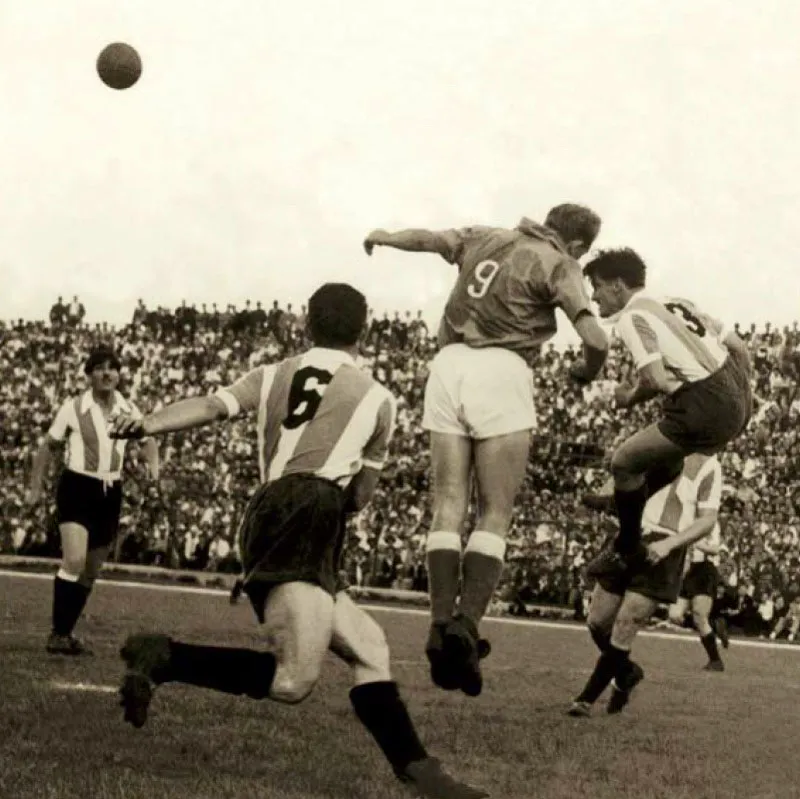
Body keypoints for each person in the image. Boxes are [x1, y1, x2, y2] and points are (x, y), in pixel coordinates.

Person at [110, 283, 487, 799]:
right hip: (313, 512)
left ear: (307, 323)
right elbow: (361, 495)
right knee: (293, 680)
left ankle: (424, 776)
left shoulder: (270, 375)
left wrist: (147, 422)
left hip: (273, 506)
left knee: (370, 648)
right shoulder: (379, 398)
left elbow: (210, 406)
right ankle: (165, 658)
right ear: (365, 328)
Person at [363, 205, 609, 697]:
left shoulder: (486, 237)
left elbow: (429, 238)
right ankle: (466, 626)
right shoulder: (560, 262)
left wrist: (386, 236)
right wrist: (587, 371)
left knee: (447, 505)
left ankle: (437, 625)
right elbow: (594, 336)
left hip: (448, 366)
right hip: (502, 367)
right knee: (494, 512)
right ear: (579, 244)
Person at [581, 247, 752, 582]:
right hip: (735, 390)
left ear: (617, 285)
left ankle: (625, 548)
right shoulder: (677, 301)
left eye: (598, 286)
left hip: (705, 401)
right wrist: (740, 399)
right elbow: (741, 348)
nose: (594, 296)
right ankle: (624, 503)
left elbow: (655, 379)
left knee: (623, 462)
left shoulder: (632, 317)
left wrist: (629, 397)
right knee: (668, 461)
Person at [25, 346, 159, 655]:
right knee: (73, 560)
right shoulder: (73, 407)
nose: (107, 373)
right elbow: (48, 448)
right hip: (77, 487)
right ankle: (57, 633)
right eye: (99, 368)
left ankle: (65, 635)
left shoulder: (129, 410)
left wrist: (152, 467)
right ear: (88, 375)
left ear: (119, 374)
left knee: (90, 570)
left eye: (112, 368)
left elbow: (148, 440)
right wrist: (35, 487)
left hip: (111, 492)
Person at [568, 453, 723, 717]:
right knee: (597, 622)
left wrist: (669, 545)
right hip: (629, 537)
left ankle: (586, 699)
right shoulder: (658, 444)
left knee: (626, 622)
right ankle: (627, 672)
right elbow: (624, 476)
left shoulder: (710, 464)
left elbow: (707, 520)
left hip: (665, 548)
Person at [667, 524, 726, 671]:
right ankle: (713, 625)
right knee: (674, 615)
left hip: (704, 570)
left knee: (699, 614)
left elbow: (715, 549)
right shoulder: (685, 521)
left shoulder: (710, 524)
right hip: (688, 570)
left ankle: (716, 661)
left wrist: (696, 542)